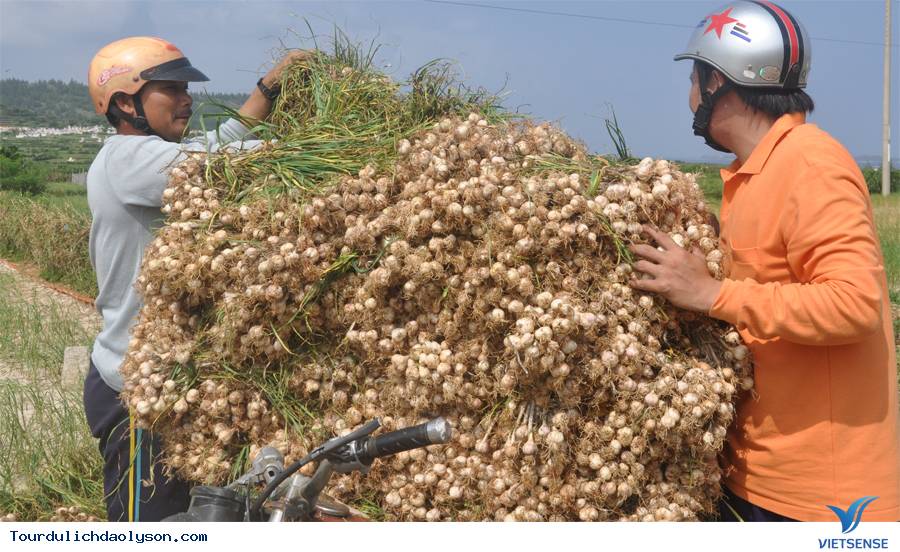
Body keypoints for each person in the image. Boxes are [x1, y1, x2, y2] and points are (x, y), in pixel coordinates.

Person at [630, 1, 899, 521]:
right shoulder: (750, 175)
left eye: (694, 77)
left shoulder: (810, 163)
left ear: (716, 83)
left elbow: (855, 304)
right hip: (753, 477)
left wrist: (713, 293)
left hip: (822, 498)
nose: (688, 98)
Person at [84, 36, 309, 521]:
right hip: (139, 393)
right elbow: (224, 166)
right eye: (172, 89)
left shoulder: (156, 156)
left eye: (187, 88)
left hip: (175, 383)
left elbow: (217, 143)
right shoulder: (128, 159)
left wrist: (268, 90)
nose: (187, 98)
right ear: (126, 101)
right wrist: (322, 141)